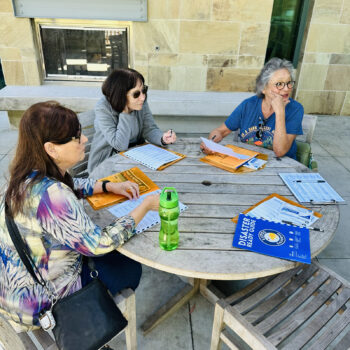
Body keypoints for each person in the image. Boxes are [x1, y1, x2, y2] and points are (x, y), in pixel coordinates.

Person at [0, 101, 159, 332]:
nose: (84, 140)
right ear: (51, 148)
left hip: (13, 291)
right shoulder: (53, 195)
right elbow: (98, 244)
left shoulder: (20, 178)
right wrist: (144, 207)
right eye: (76, 137)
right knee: (130, 267)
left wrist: (106, 186)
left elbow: (70, 185)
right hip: (41, 304)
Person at [201, 57, 304, 160]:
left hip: (282, 166)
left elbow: (280, 151)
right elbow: (221, 131)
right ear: (263, 88)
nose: (287, 89)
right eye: (279, 84)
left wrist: (280, 112)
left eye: (289, 83)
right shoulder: (248, 105)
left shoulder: (296, 109)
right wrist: (210, 144)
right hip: (248, 162)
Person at [88, 68, 177, 173]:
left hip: (134, 157)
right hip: (106, 164)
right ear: (121, 94)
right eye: (136, 94)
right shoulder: (103, 108)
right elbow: (119, 145)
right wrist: (126, 113)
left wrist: (162, 138)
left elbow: (149, 128)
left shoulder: (139, 102)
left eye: (144, 90)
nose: (142, 97)